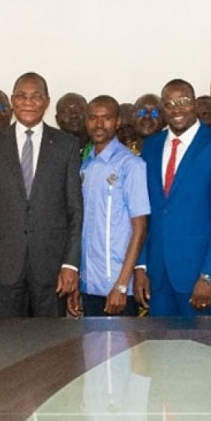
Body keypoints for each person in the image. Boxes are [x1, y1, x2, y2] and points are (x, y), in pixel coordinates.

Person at [0, 73, 84, 320]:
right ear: (13, 101)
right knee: (8, 346)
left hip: (52, 267)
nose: (29, 102)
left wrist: (70, 264)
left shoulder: (67, 145)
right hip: (4, 266)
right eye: (22, 96)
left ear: (46, 101)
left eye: (36, 97)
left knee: (50, 346)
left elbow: (75, 210)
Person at [138, 79, 211, 317]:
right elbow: (144, 212)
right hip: (158, 275)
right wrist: (141, 266)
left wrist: (208, 274)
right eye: (169, 103)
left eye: (183, 101)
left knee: (201, 351)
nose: (177, 109)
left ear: (194, 103)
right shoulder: (151, 147)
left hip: (198, 276)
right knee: (158, 351)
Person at [72, 95, 149, 317]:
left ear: (117, 122)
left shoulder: (131, 165)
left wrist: (123, 284)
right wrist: (79, 283)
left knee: (121, 351)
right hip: (89, 285)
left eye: (106, 118)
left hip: (118, 286)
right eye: (93, 118)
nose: (99, 124)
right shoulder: (85, 166)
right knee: (92, 350)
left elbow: (140, 228)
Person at [56, 92, 89, 158]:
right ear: (57, 119)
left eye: (79, 109)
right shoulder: (50, 148)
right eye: (66, 111)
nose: (73, 115)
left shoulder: (101, 145)